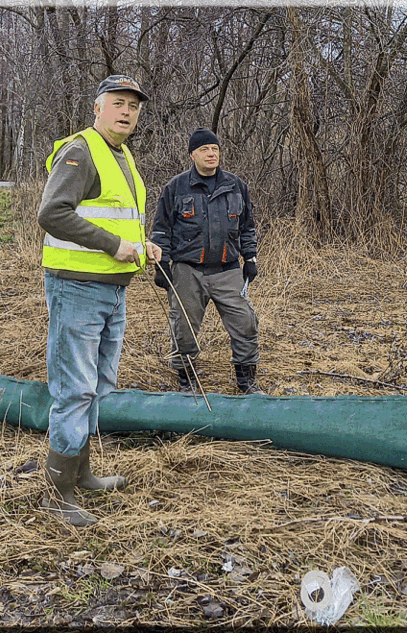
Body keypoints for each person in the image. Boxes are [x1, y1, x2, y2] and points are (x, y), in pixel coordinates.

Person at [35, 75, 160, 527]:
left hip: (112, 289)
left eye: (133, 106)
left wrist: (142, 245)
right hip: (78, 288)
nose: (126, 112)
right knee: (74, 389)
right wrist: (112, 244)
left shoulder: (121, 155)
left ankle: (82, 472)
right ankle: (58, 492)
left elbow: (116, 218)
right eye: (118, 103)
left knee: (99, 385)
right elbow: (51, 213)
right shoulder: (81, 150)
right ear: (98, 107)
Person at [149, 128, 263, 395]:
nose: (211, 154)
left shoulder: (236, 186)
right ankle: (187, 380)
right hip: (188, 270)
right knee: (183, 327)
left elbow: (247, 227)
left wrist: (251, 258)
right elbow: (161, 230)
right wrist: (162, 264)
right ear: (192, 155)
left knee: (246, 322)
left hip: (228, 269)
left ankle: (246, 381)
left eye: (215, 149)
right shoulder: (175, 187)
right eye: (204, 150)